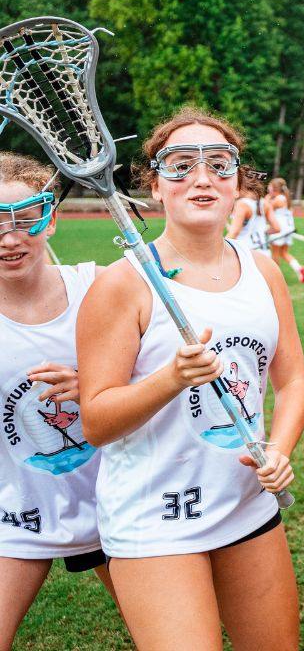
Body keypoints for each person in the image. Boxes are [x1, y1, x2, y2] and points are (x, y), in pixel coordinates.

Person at [77, 109, 304, 651]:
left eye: (218, 164)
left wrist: (279, 448)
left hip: (246, 506)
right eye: (180, 166)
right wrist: (172, 377)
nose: (201, 178)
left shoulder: (262, 271)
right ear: (155, 186)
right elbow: (96, 421)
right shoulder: (123, 284)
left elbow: (293, 381)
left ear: (236, 184)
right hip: (155, 521)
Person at [0, 153, 117, 651]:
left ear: (51, 216)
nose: (9, 238)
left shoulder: (102, 287)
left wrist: (95, 381)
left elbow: (167, 376)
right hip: (17, 516)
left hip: (121, 508)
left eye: (24, 218)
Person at [265, 177, 304, 284]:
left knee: (275, 254)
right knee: (283, 253)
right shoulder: (284, 198)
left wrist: (267, 199)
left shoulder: (278, 200)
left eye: (269, 187)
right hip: (288, 230)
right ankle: (299, 268)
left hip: (280, 230)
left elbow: (265, 209)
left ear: (274, 189)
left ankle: (275, 277)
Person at [226, 172, 275, 255]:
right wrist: (261, 233)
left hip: (247, 252)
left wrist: (220, 250)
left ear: (243, 186)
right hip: (265, 252)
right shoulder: (265, 203)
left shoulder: (243, 204)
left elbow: (234, 232)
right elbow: (276, 228)